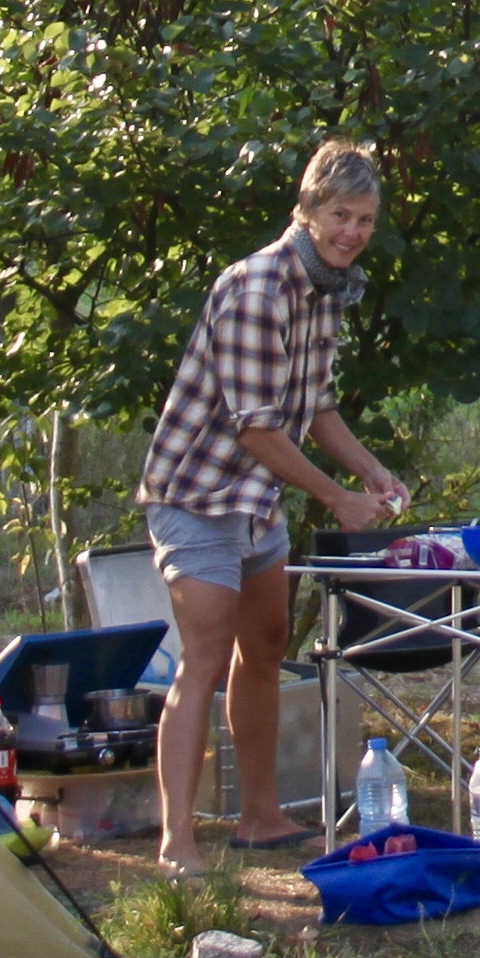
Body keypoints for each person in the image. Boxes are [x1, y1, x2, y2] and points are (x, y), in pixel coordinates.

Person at [138, 138, 409, 870]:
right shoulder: (258, 289)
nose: (352, 232)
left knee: (263, 647)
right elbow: (255, 427)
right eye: (341, 215)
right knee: (204, 658)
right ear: (307, 210)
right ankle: (176, 842)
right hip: (196, 493)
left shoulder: (327, 288)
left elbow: (315, 406)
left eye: (365, 219)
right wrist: (336, 498)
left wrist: (371, 472)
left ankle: (258, 817)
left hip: (257, 498)